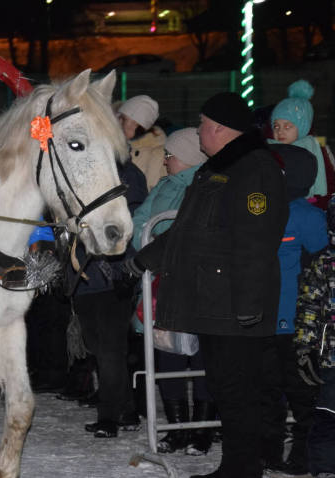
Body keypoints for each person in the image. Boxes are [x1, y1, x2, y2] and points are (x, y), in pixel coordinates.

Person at [124, 92, 289, 478]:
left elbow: (256, 241)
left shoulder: (256, 169)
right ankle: (235, 466)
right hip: (214, 301)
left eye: (201, 123)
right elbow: (187, 229)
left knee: (238, 390)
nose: (198, 130)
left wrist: (250, 305)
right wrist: (146, 259)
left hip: (236, 304)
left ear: (218, 126)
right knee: (223, 387)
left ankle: (243, 469)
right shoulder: (218, 168)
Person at [131, 128, 215, 455]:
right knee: (166, 353)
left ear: (192, 159)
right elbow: (141, 220)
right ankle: (176, 428)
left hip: (198, 284)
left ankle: (203, 429)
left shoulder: (207, 187)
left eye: (171, 155)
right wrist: (139, 249)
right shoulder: (165, 186)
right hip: (160, 283)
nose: (165, 161)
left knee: (202, 356)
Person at [261, 143, 326, 476]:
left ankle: (303, 457)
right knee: (268, 392)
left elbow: (322, 267)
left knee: (303, 396)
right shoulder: (261, 209)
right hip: (264, 321)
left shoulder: (306, 215)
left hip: (298, 325)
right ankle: (269, 453)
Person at [75, 159, 147, 438]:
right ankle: (127, 410)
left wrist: (122, 272)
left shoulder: (127, 174)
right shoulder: (80, 171)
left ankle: (109, 416)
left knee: (110, 351)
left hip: (112, 278)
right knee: (98, 347)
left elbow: (130, 221)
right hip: (86, 276)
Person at [294, 195, 335, 478]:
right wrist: (304, 347)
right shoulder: (325, 262)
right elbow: (309, 305)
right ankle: (323, 466)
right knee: (329, 414)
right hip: (332, 357)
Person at [268, 80, 328, 202]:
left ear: (302, 126)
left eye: (287, 126)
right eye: (276, 126)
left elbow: (330, 178)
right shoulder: (269, 151)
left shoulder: (313, 148)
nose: (279, 131)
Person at [117, 95, 167, 191]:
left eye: (123, 119)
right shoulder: (117, 149)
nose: (118, 122)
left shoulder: (158, 155)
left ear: (139, 123)